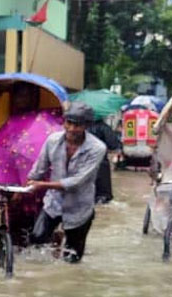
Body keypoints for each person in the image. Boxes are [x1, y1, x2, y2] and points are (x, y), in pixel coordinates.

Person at [26, 101, 107, 263]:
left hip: (79, 208)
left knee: (72, 258)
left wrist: (42, 185)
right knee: (36, 240)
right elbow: (39, 169)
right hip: (53, 203)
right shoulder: (53, 141)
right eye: (68, 123)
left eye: (77, 125)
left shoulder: (97, 148)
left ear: (86, 126)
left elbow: (77, 181)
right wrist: (28, 184)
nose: (71, 129)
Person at [87, 116, 123, 204]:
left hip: (84, 163)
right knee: (103, 197)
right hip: (101, 164)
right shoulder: (104, 127)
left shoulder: (81, 128)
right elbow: (113, 144)